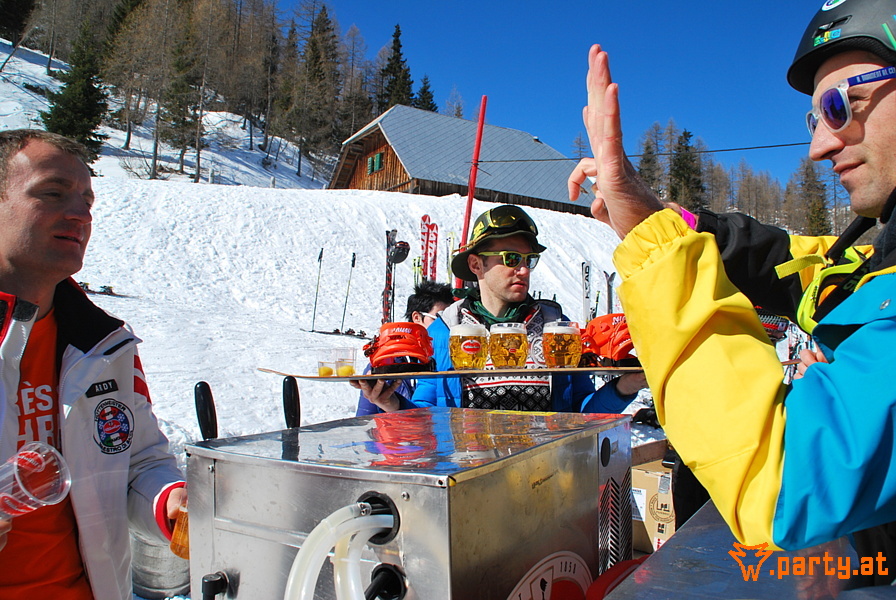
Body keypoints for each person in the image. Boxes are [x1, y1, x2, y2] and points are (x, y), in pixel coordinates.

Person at [569, 0, 896, 585]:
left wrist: (657, 248)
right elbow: (806, 268)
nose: (820, 146)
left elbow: (784, 484)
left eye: (839, 106)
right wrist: (655, 215)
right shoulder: (880, 250)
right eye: (814, 119)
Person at [0, 130, 186, 599]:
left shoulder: (104, 346)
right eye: (52, 193)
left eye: (87, 199)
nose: (79, 213)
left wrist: (171, 501)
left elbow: (139, 459)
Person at [410, 204, 646, 411]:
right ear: (476, 264)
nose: (523, 270)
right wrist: (391, 403)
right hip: (474, 462)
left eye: (529, 259)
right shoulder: (446, 329)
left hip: (544, 461)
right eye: (511, 258)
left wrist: (624, 388)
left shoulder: (555, 327)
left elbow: (580, 412)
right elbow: (426, 409)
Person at [352, 280, 454, 415]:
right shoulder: (386, 364)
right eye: (439, 318)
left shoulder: (444, 361)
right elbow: (364, 418)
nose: (444, 325)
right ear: (417, 317)